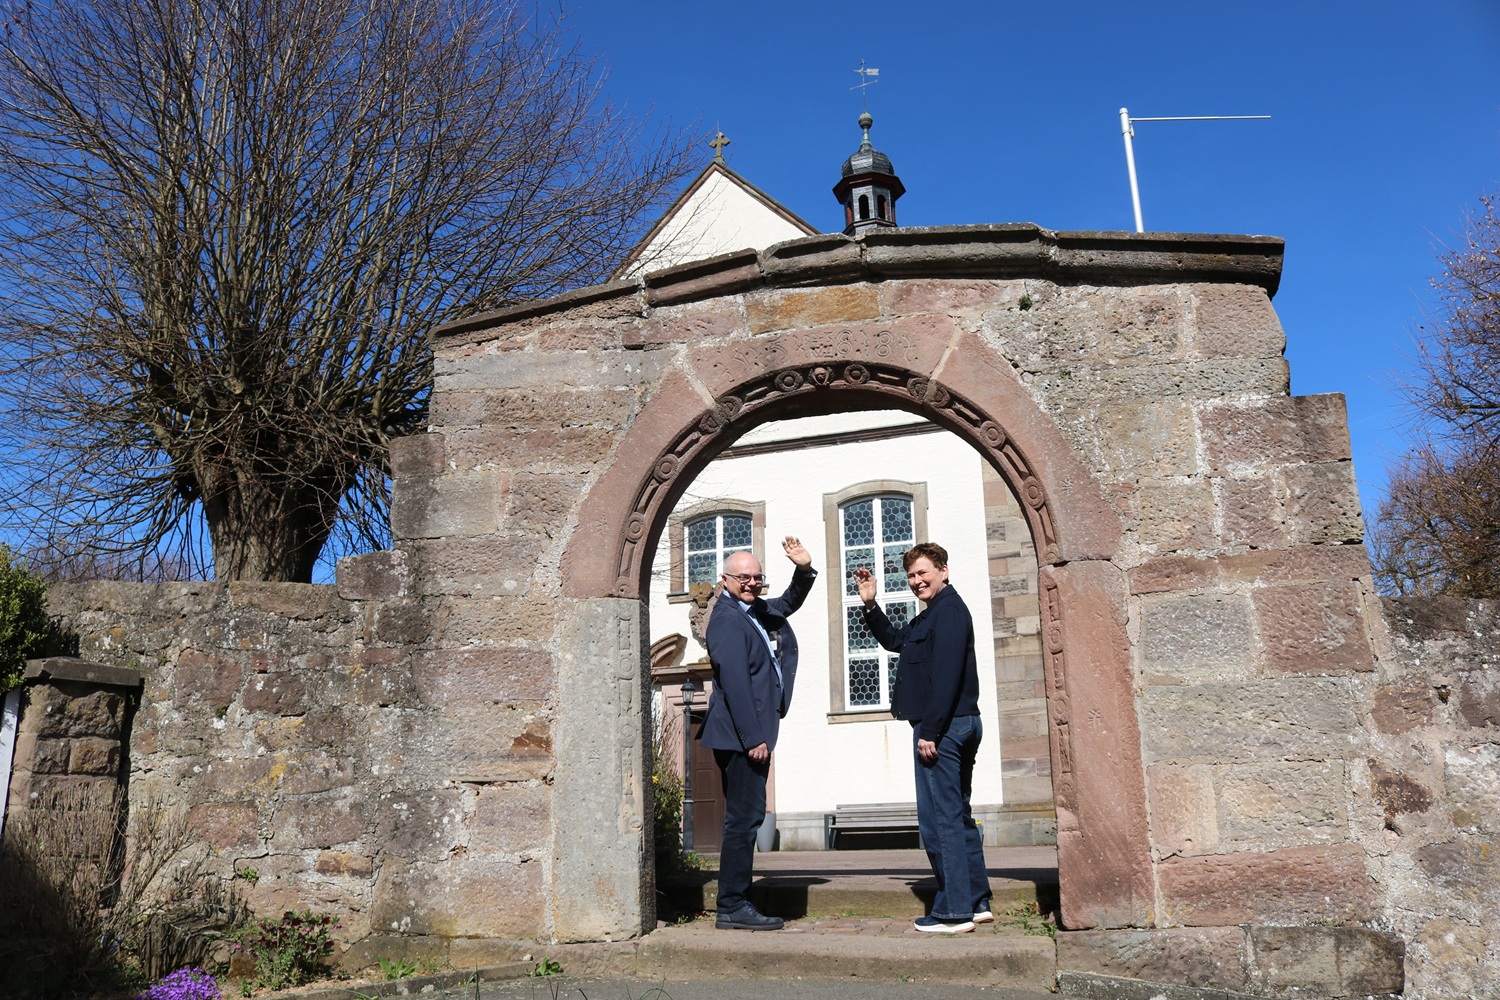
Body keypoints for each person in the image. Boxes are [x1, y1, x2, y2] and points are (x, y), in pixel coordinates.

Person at [854, 542, 991, 934]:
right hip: (957, 724)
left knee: (940, 821)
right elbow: (896, 640)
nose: (916, 581)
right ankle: (976, 900)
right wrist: (870, 604)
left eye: (923, 573)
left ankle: (954, 912)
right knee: (958, 816)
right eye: (911, 575)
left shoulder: (948, 613)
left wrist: (929, 731)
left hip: (944, 729)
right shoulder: (934, 614)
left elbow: (946, 676)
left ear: (944, 571)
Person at [699, 535, 817, 931]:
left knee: (746, 816)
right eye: (743, 578)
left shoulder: (750, 610)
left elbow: (786, 605)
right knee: (743, 818)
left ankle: (736, 899)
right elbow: (735, 683)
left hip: (747, 734)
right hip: (740, 737)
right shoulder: (728, 620)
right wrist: (754, 739)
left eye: (757, 578)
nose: (752, 583)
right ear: (725, 579)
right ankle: (732, 904)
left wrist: (802, 570)